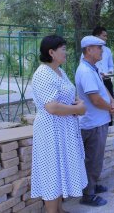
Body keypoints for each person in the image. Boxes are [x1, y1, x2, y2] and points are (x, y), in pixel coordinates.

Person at [31, 35, 87, 213]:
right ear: (51, 52)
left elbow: (69, 93)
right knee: (51, 172)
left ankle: (60, 210)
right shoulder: (42, 74)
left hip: (63, 129)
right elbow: (52, 107)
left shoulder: (59, 71)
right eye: (63, 49)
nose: (66, 52)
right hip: (50, 130)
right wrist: (77, 110)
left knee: (59, 170)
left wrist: (78, 103)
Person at [76, 35, 114, 207]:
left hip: (99, 120)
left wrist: (111, 101)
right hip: (93, 123)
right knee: (93, 159)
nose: (102, 51)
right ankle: (88, 194)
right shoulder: (85, 71)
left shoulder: (92, 68)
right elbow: (94, 99)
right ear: (89, 50)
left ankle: (91, 185)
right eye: (99, 47)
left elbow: (102, 89)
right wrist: (110, 107)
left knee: (96, 158)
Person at [92, 26, 114, 126]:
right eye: (104, 36)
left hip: (106, 81)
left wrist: (107, 74)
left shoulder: (108, 50)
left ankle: (109, 128)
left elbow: (111, 66)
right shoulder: (88, 51)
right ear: (97, 36)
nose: (106, 38)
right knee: (97, 104)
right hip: (94, 82)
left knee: (110, 104)